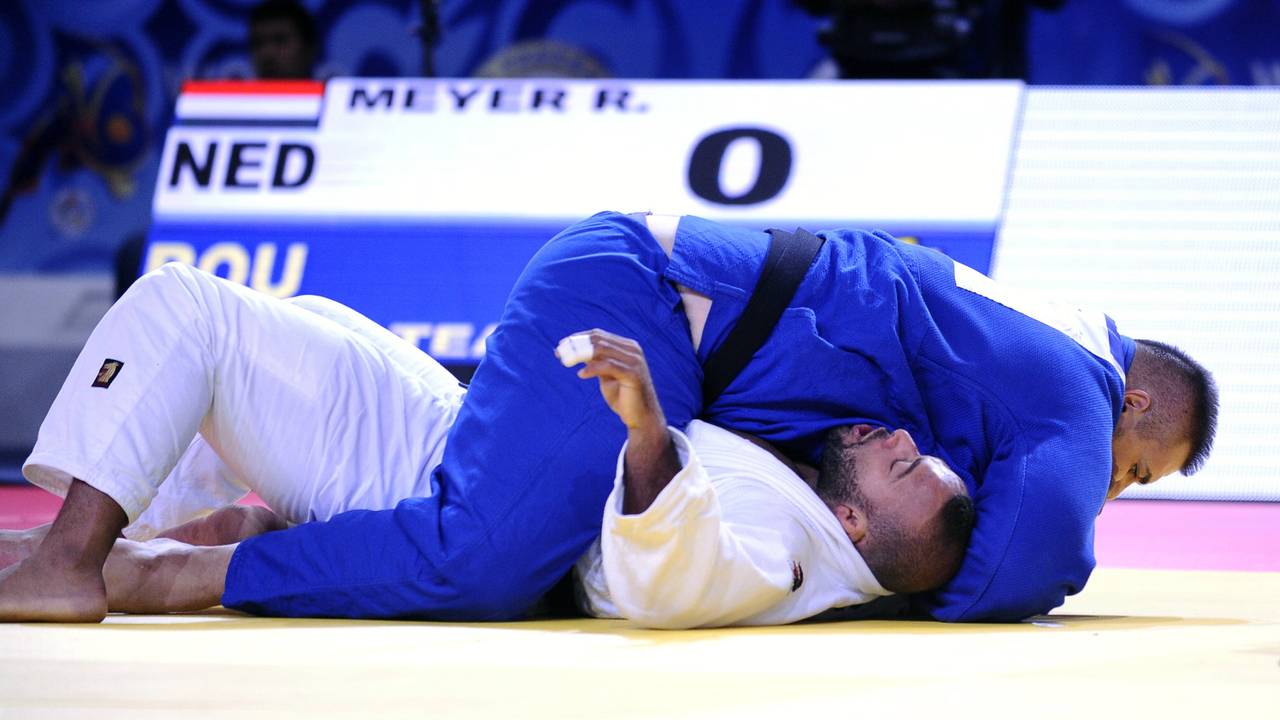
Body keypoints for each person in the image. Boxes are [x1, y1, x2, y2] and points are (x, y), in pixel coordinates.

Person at [0, 210, 1217, 623]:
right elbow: (1033, 555)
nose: (1116, 488)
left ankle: (196, 538)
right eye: (1139, 469)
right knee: (477, 558)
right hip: (639, 294)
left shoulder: (1026, 332)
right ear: (1139, 397)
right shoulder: (1072, 390)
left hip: (654, 293)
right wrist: (926, 591)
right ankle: (121, 571)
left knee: (488, 513)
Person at [0, 266, 972, 626]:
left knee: (187, 310)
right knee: (295, 318)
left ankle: (71, 562)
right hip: (470, 441)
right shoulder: (817, 503)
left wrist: (643, 431)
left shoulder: (780, 551)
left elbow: (673, 577)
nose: (892, 437)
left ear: (851, 521)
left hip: (436, 483)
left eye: (898, 465)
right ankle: (159, 545)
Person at [248, 0, 318, 80]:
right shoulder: (238, 93)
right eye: (258, 43)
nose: (268, 53)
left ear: (308, 49)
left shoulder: (332, 92)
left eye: (280, 41)